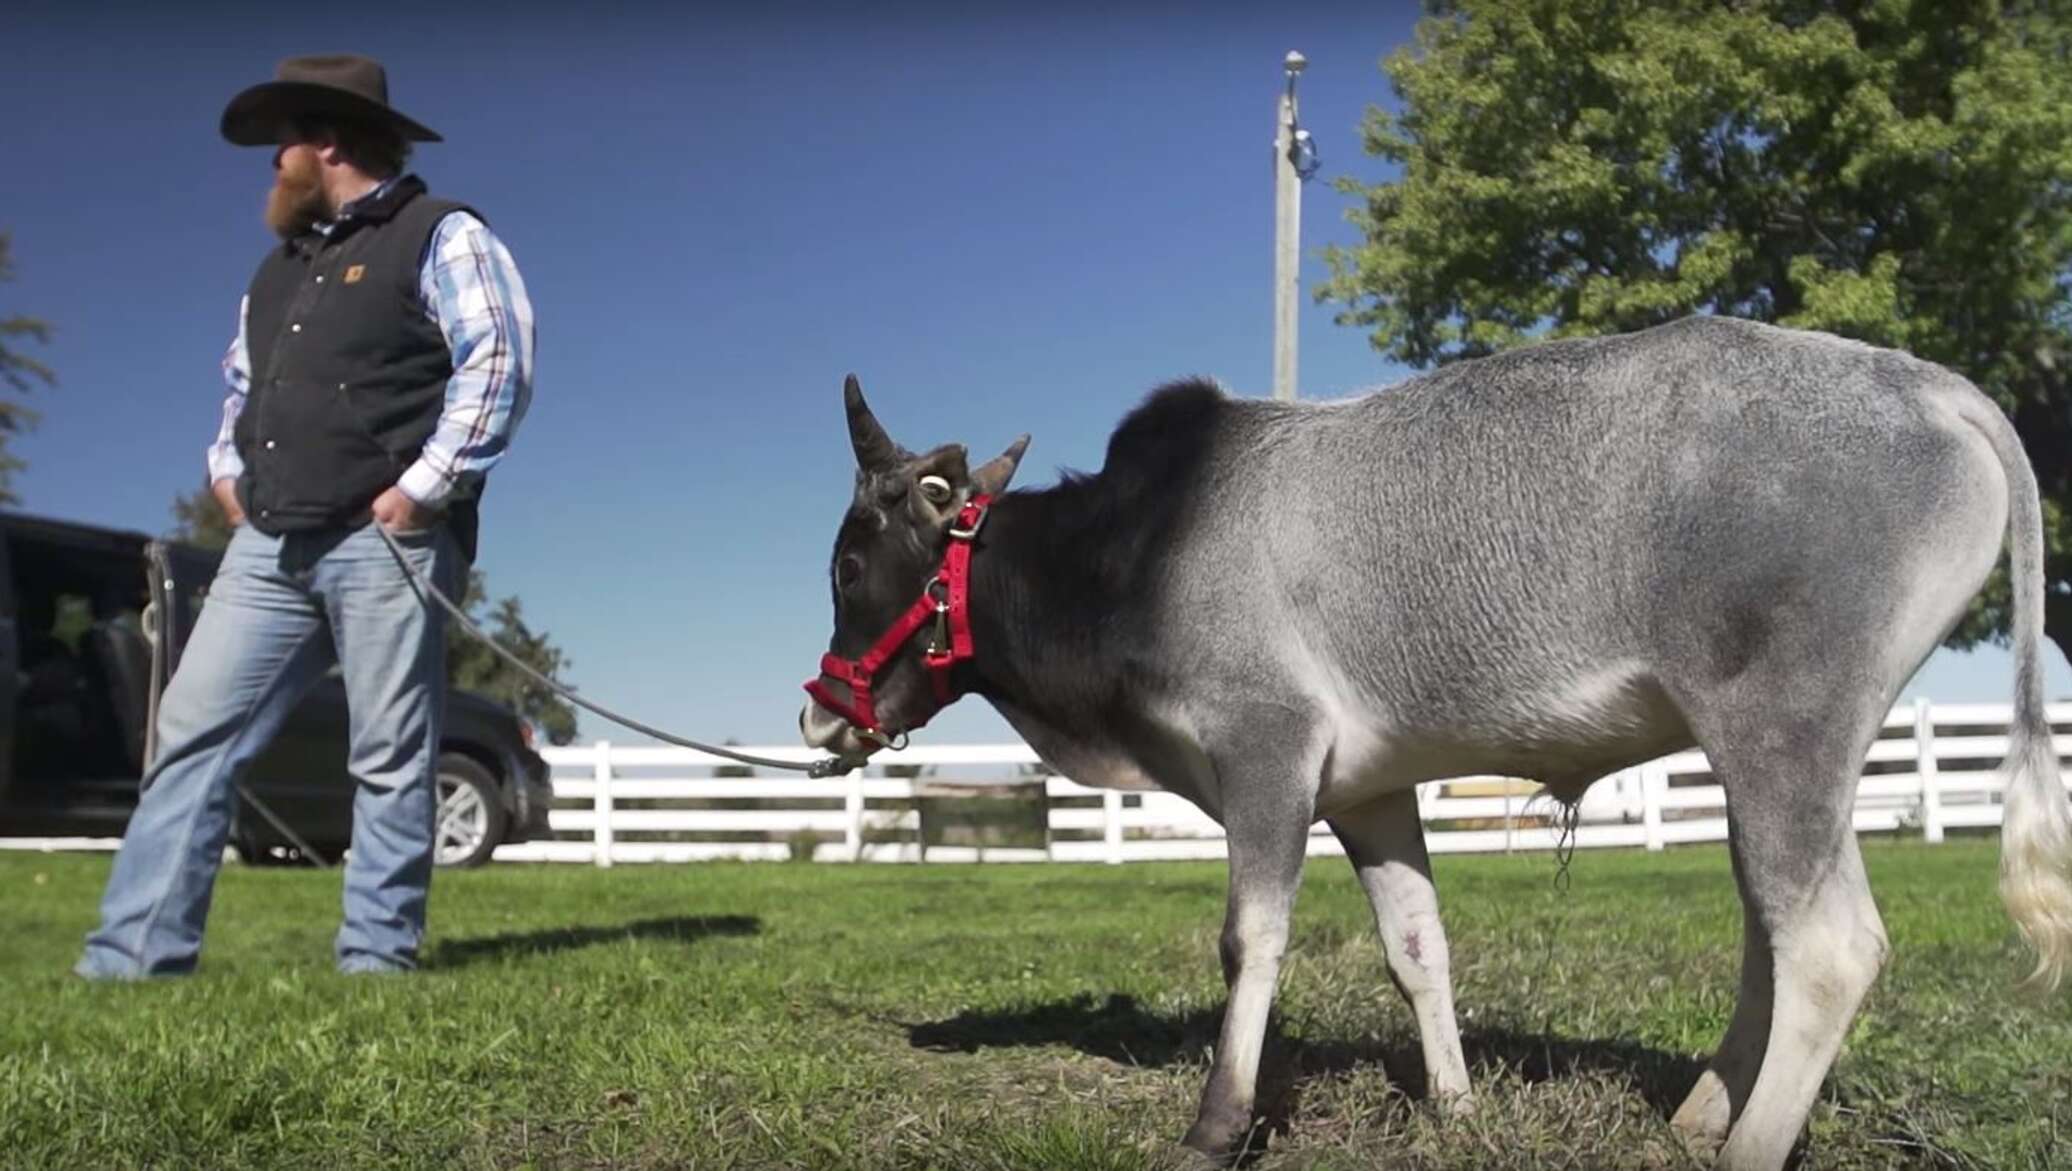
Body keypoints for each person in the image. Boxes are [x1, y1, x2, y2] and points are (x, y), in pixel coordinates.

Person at [75, 54, 535, 978]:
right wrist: (225, 473)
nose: (272, 163)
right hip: (270, 540)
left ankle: (374, 957)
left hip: (388, 539)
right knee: (191, 733)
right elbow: (242, 386)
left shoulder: (440, 234)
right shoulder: (277, 273)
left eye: (282, 142)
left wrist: (424, 488)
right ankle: (133, 957)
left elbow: (498, 361)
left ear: (326, 143)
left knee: (388, 755)